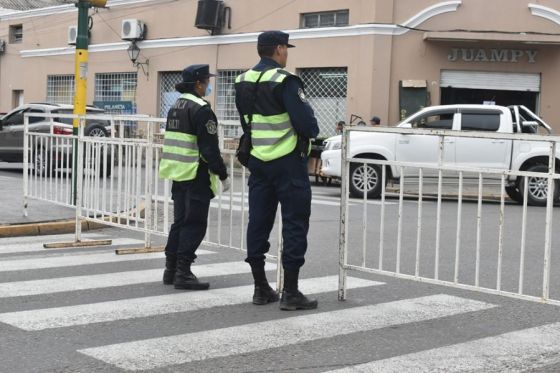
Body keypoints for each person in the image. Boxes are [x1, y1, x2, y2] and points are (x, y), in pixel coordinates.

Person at [235, 30, 320, 310]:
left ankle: (261, 288)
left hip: (259, 161)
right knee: (295, 224)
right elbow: (308, 126)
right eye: (286, 49)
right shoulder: (285, 80)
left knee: (258, 223)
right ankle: (291, 292)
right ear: (280, 49)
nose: (287, 54)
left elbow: (249, 124)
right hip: (287, 162)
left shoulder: (242, 80)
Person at [159, 64, 229, 290]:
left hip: (177, 173)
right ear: (198, 83)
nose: (208, 85)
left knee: (179, 222)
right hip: (195, 173)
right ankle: (183, 272)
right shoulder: (201, 109)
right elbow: (209, 150)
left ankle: (170, 270)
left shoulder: (175, 107)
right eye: (206, 81)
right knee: (195, 223)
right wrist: (223, 174)